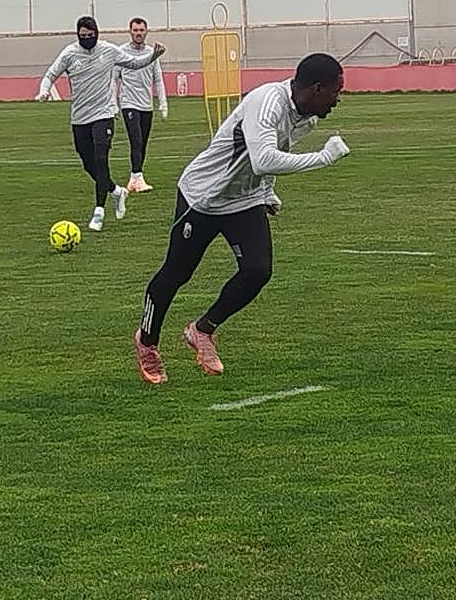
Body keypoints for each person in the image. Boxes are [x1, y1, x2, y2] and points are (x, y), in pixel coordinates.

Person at [133, 53, 350, 384]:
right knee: (176, 274)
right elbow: (263, 158)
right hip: (203, 197)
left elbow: (274, 152)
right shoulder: (268, 102)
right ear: (317, 88)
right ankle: (147, 342)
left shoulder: (306, 116)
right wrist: (322, 158)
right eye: (337, 90)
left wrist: (266, 193)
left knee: (257, 270)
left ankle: (201, 330)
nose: (338, 99)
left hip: (244, 199)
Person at [36, 16, 166, 231]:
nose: (87, 38)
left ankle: (99, 211)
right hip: (80, 117)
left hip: (104, 114)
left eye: (91, 35)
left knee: (100, 157)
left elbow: (134, 63)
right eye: (83, 35)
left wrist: (154, 55)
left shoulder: (108, 51)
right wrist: (44, 90)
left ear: (97, 33)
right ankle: (116, 191)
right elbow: (50, 74)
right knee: (88, 162)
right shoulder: (70, 53)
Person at [117, 17, 168, 193]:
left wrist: (163, 104)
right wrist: (112, 104)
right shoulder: (121, 52)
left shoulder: (152, 53)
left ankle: (134, 178)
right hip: (129, 103)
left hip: (146, 104)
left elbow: (158, 80)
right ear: (130, 31)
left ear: (146, 32)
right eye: (135, 30)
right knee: (136, 140)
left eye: (141, 30)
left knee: (143, 143)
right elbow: (113, 79)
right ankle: (138, 177)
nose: (138, 33)